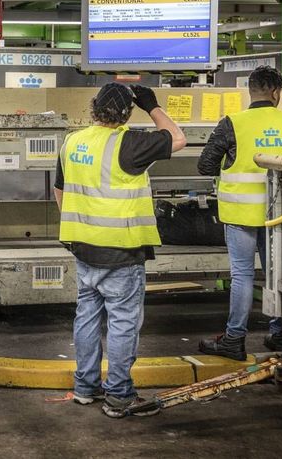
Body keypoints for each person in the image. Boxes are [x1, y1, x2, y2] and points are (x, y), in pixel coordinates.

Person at [54, 83, 186, 418]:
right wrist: (152, 106)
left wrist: (79, 225)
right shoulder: (128, 142)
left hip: (82, 246)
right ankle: (119, 396)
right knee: (123, 322)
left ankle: (85, 388)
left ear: (93, 107)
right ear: (128, 113)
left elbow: (60, 190)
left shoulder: (72, 141)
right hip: (121, 252)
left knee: (86, 317)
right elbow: (178, 138)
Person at [197, 66, 282, 361]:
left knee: (242, 275)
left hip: (241, 214)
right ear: (276, 93)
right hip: (278, 215)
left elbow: (205, 165)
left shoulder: (233, 122)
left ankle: (234, 339)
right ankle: (281, 335)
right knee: (276, 274)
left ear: (250, 91)